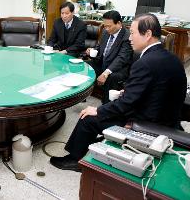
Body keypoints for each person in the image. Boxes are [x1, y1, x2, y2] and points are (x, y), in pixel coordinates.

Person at [50, 13, 187, 172]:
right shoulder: (172, 58)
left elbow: (126, 105)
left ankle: (75, 160)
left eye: (134, 33)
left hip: (146, 126)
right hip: (168, 122)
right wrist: (128, 91)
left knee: (88, 118)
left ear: (148, 34)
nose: (130, 38)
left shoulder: (145, 63)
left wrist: (98, 110)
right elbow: (157, 90)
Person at [85, 10, 133, 103]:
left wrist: (105, 73)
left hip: (118, 68)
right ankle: (83, 95)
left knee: (111, 77)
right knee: (84, 65)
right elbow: (99, 48)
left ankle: (106, 105)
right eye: (105, 25)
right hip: (103, 63)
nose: (106, 28)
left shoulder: (127, 36)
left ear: (119, 23)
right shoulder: (105, 32)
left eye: (109, 26)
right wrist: (92, 50)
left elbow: (121, 58)